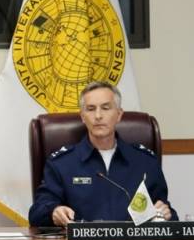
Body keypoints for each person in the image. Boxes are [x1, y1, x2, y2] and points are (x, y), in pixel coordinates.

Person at [28, 81, 177, 227]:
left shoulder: (145, 162)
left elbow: (166, 212)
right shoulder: (62, 164)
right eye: (91, 109)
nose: (98, 116)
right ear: (82, 116)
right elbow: (36, 213)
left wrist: (165, 215)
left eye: (106, 108)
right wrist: (53, 212)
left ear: (119, 114)